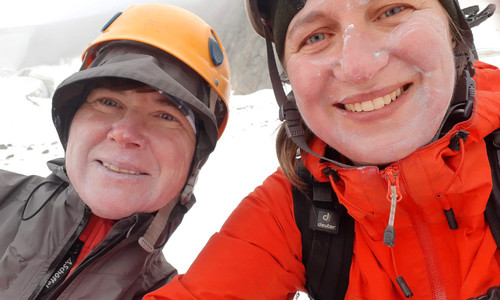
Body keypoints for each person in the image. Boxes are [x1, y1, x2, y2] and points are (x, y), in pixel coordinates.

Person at [144, 0, 500, 299]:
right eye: (316, 36)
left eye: (391, 10)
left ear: (453, 30)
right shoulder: (292, 210)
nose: (359, 67)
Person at [0, 3, 230, 299]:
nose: (125, 133)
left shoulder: (169, 294)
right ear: (71, 121)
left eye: (166, 116)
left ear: (194, 159)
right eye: (109, 102)